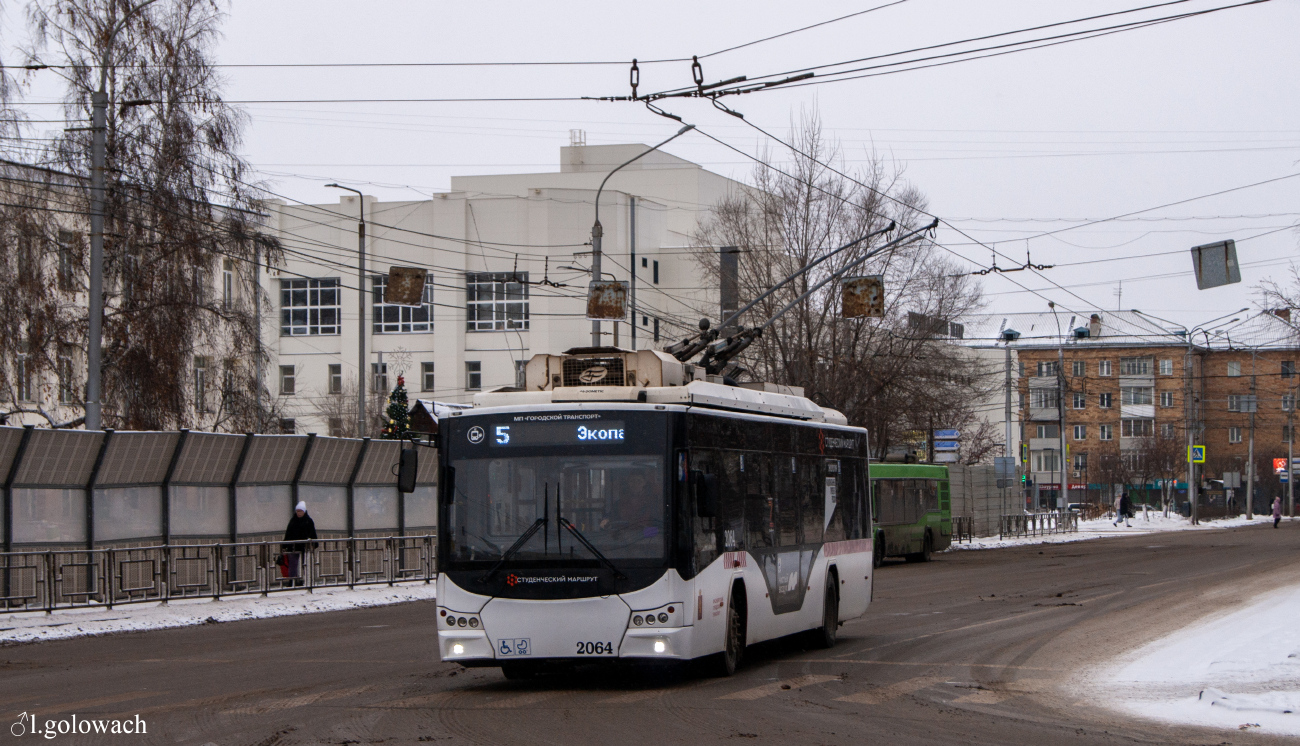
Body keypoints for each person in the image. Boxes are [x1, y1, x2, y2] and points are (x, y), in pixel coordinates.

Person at [282, 500, 318, 584]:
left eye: (300, 511)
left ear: (304, 511)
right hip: (293, 546)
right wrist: (285, 545)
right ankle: (292, 581)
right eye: (297, 511)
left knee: (305, 564)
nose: (299, 513)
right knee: (293, 565)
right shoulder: (293, 521)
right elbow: (288, 533)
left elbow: (312, 533)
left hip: (304, 546)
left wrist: (314, 543)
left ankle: (307, 580)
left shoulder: (308, 521)